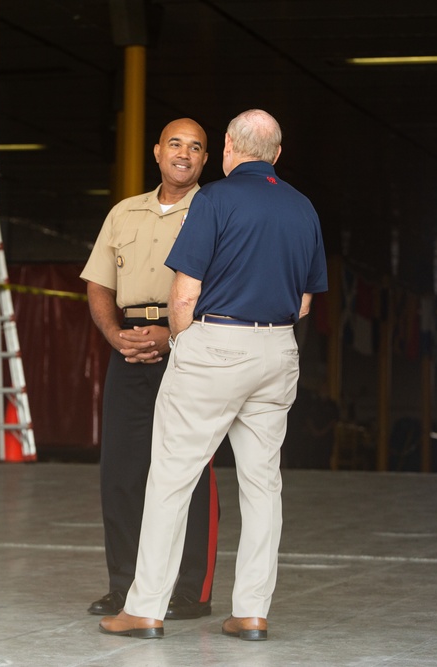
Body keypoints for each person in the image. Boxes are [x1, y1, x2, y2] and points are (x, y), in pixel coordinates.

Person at [99, 109, 328, 640]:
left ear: (227, 147)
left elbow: (184, 290)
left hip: (216, 343)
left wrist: (186, 343)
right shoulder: (302, 207)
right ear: (277, 152)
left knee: (171, 478)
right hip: (278, 349)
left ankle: (145, 609)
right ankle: (251, 611)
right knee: (262, 485)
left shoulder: (214, 200)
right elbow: (306, 300)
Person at [80, 118, 220, 620]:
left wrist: (172, 334)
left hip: (188, 345)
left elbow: (222, 286)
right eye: (175, 144)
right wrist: (116, 335)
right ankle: (125, 587)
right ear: (157, 151)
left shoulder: (214, 210)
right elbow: (99, 283)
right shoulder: (124, 213)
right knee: (119, 470)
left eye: (196, 147)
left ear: (206, 160)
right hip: (127, 348)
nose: (184, 153)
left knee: (190, 470)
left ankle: (189, 590)